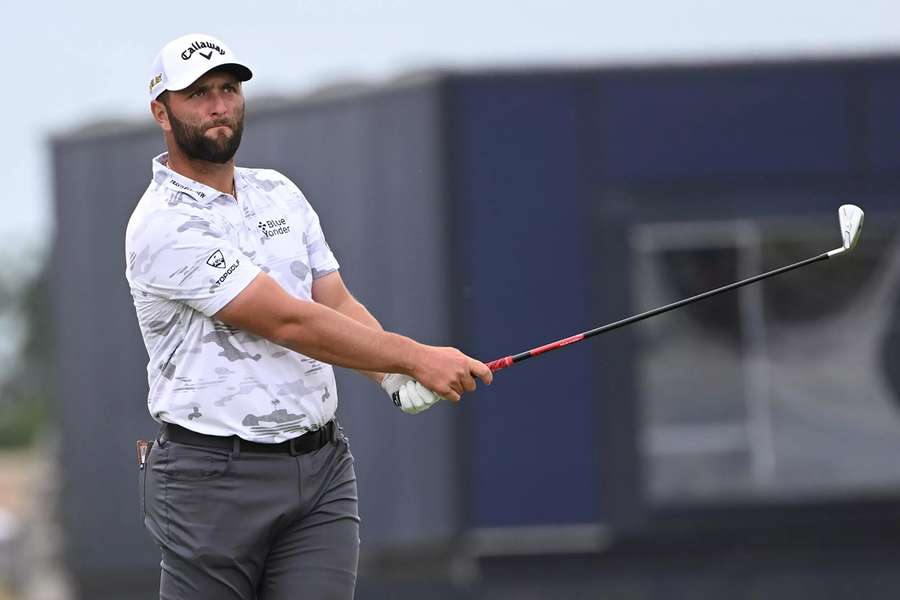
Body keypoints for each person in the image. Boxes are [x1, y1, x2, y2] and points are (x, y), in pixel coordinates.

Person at [125, 33, 491, 600]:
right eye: (197, 94)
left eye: (228, 89)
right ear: (162, 112)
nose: (218, 105)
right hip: (209, 478)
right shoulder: (163, 223)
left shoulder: (279, 193)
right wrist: (419, 357)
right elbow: (286, 322)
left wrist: (392, 375)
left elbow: (334, 303)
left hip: (320, 471)